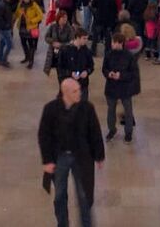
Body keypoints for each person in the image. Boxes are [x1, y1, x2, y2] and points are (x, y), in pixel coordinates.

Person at [38, 78, 105, 227]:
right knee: (60, 195)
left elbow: (95, 131)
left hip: (81, 157)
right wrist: (47, 160)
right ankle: (62, 224)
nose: (79, 93)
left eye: (79, 90)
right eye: (75, 91)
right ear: (65, 93)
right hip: (60, 157)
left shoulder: (87, 108)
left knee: (84, 195)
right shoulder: (51, 109)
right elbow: (44, 135)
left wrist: (99, 155)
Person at [101, 33, 139, 143]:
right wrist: (109, 74)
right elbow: (104, 69)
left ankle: (128, 132)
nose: (112, 44)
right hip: (111, 86)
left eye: (114, 42)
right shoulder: (108, 55)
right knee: (111, 110)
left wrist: (121, 76)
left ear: (120, 43)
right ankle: (112, 129)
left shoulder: (129, 56)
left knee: (128, 110)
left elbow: (133, 73)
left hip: (125, 87)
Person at [15, 0, 44, 69]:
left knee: (31, 45)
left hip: (31, 28)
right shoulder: (20, 4)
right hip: (22, 27)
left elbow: (40, 15)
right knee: (23, 43)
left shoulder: (34, 5)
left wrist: (32, 21)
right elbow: (17, 14)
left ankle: (31, 61)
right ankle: (26, 57)